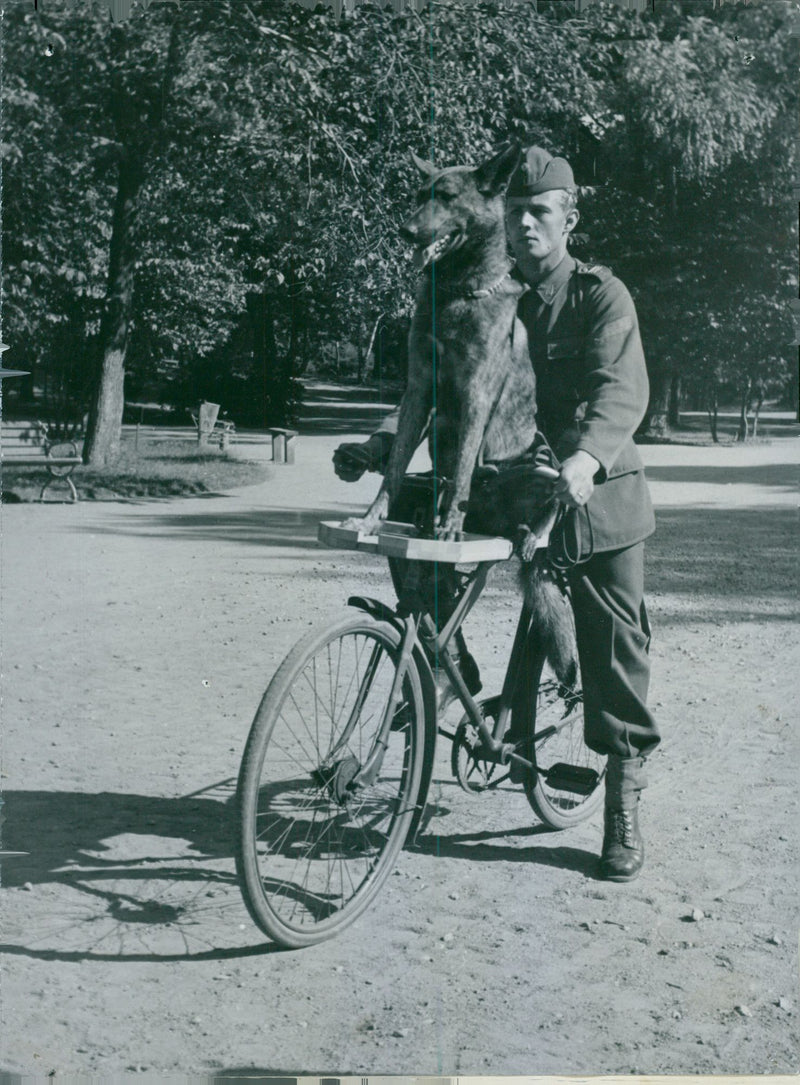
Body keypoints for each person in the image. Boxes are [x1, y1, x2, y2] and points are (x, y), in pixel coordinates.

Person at [333, 146, 660, 882]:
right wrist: (385, 447)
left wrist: (589, 456)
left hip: (593, 493)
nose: (526, 224)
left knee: (609, 646)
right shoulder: (484, 293)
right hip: (510, 481)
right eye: (515, 213)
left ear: (568, 218)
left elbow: (622, 391)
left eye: (540, 212)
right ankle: (449, 662)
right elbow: (456, 393)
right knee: (412, 520)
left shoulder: (600, 296)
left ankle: (621, 800)